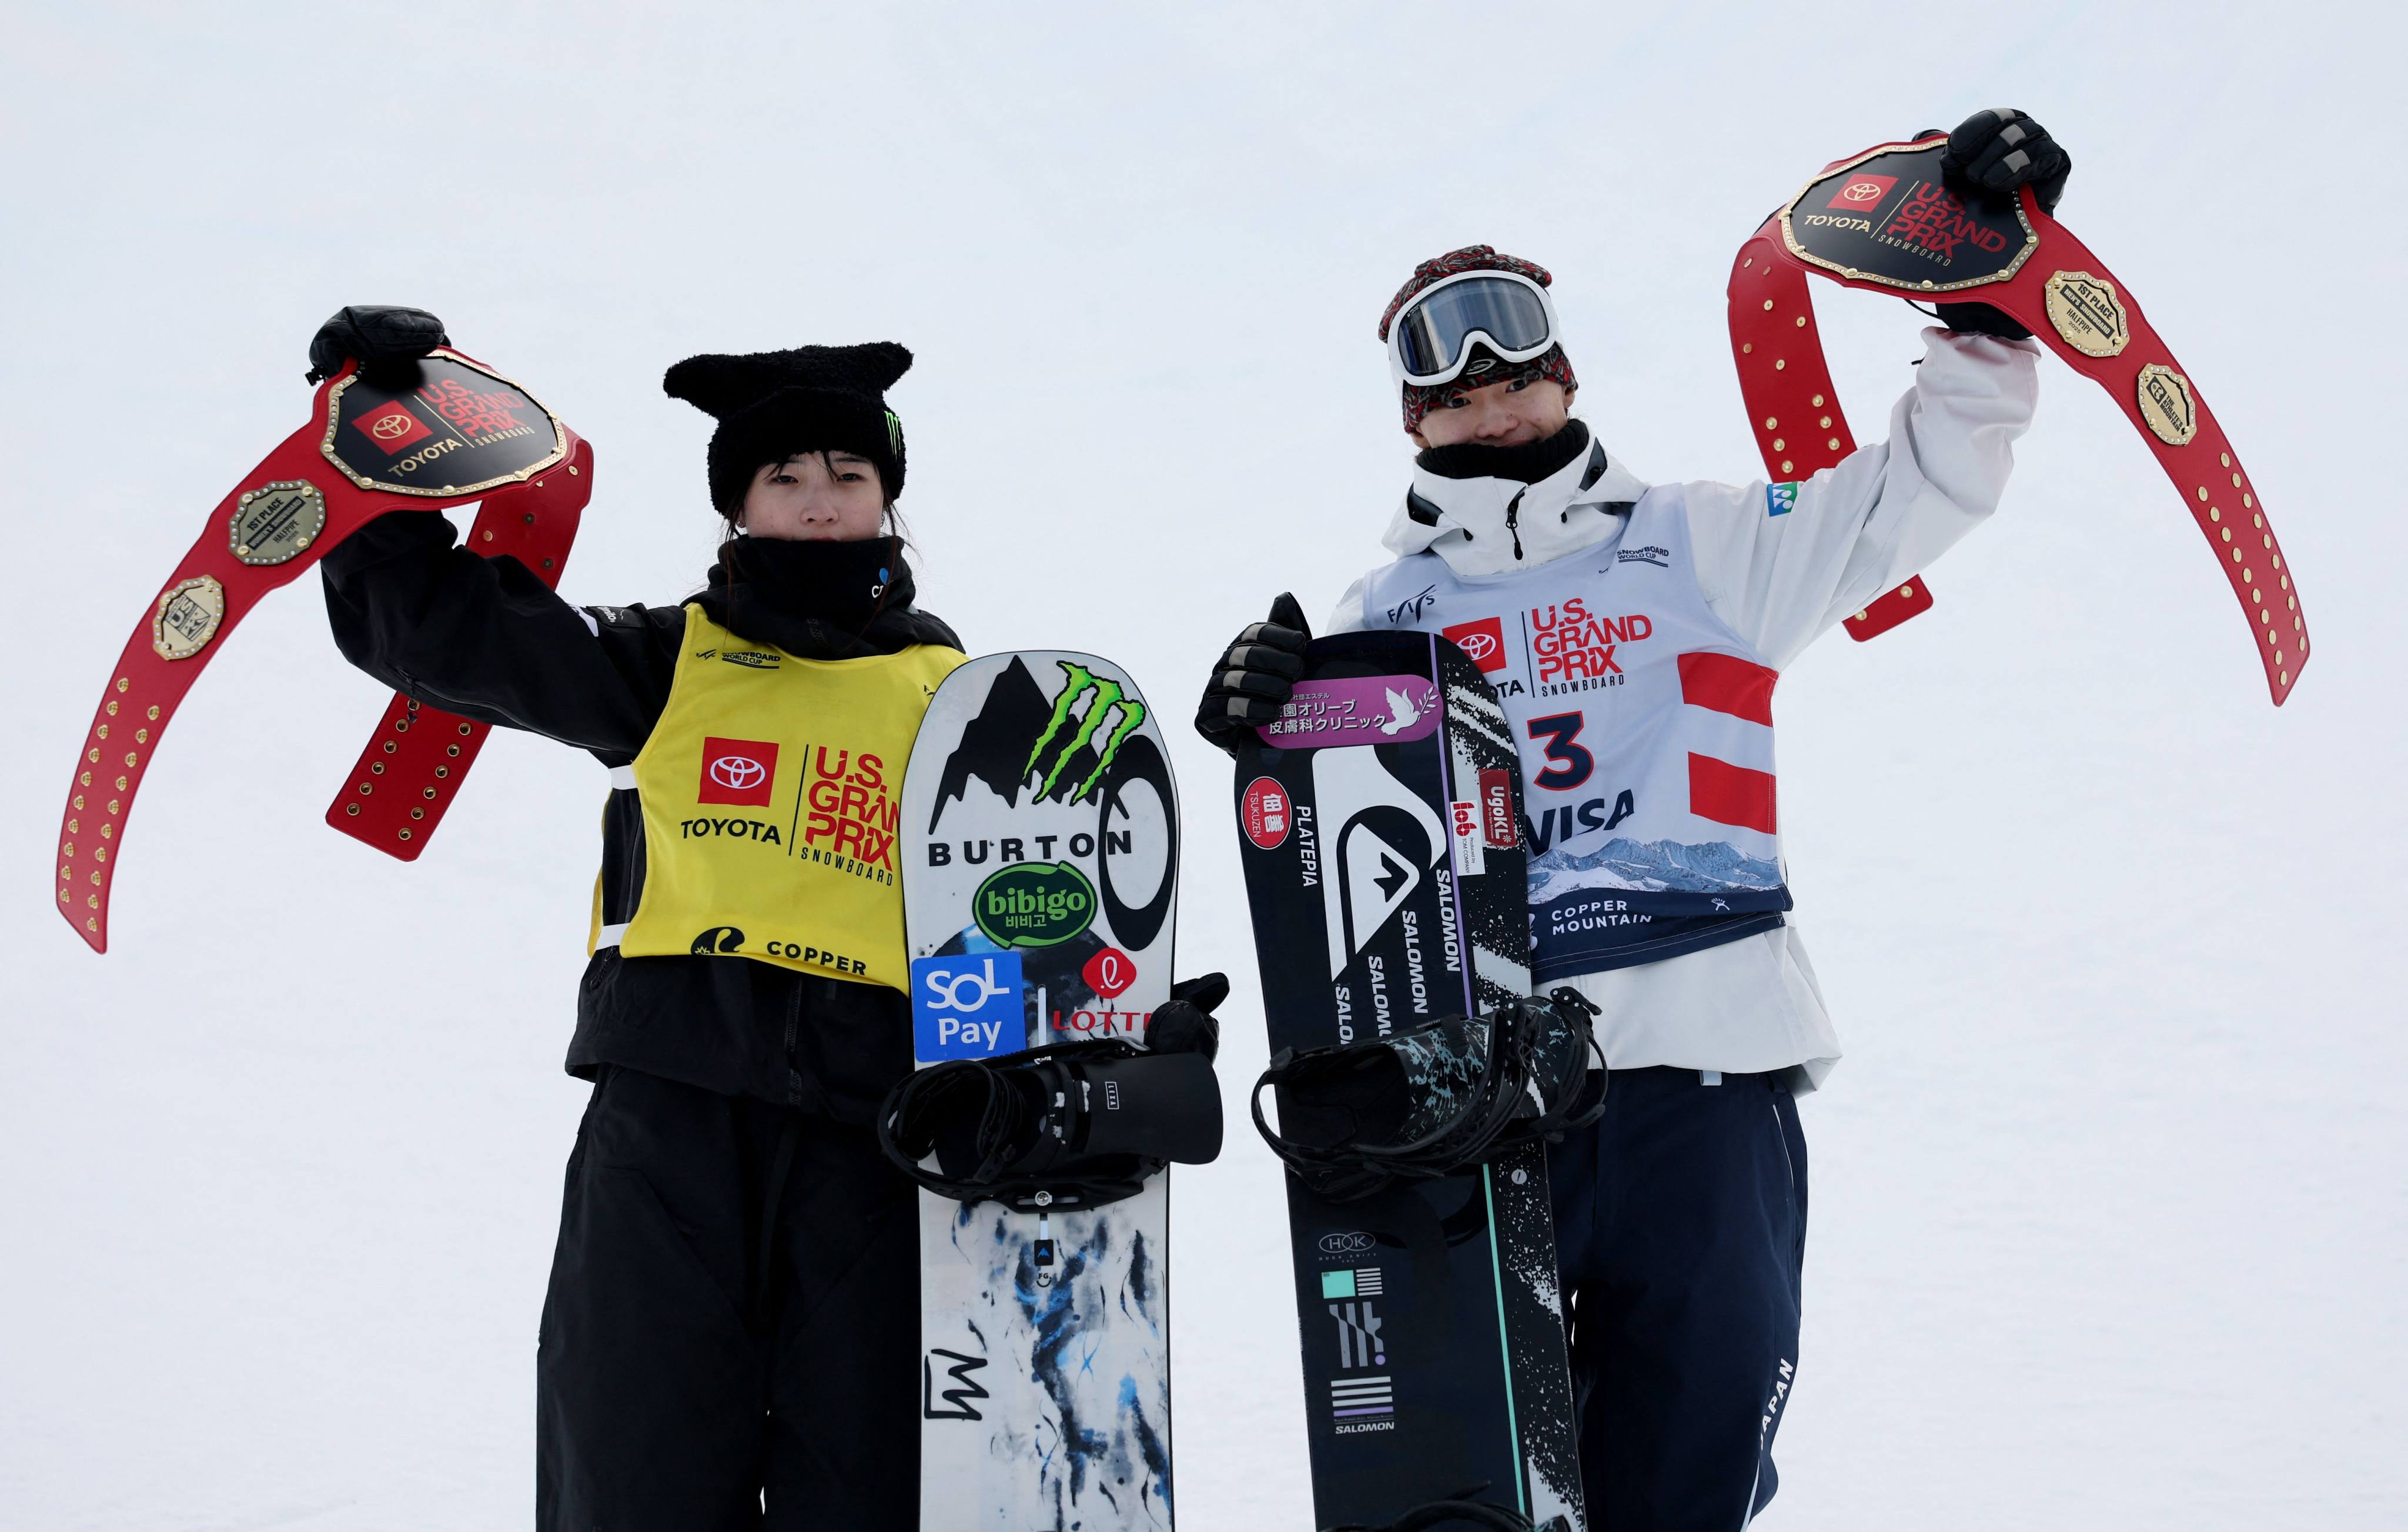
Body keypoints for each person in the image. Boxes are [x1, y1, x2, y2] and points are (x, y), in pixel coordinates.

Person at [1196, 109, 2070, 1528]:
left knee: (1687, 1463)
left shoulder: (1708, 545)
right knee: (1483, 1479)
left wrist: (1976, 301)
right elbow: (1328, 879)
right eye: (1447, 376)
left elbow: (1922, 483)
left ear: (1562, 374)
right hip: (1487, 1106)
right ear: (1411, 417)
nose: (1487, 394)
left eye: (1514, 359)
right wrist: (1264, 728)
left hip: (1703, 1084)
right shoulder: (1381, 616)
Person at [313, 312, 1218, 1529]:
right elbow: (436, 625)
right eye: (781, 476)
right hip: (667, 1123)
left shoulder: (966, 711)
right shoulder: (658, 660)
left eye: (847, 475)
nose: (815, 500)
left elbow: (1051, 930)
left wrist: (1120, 1061)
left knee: (864, 1493)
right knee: (631, 1475)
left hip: (877, 1146)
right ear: (736, 507)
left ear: (887, 501)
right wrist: (373, 432)